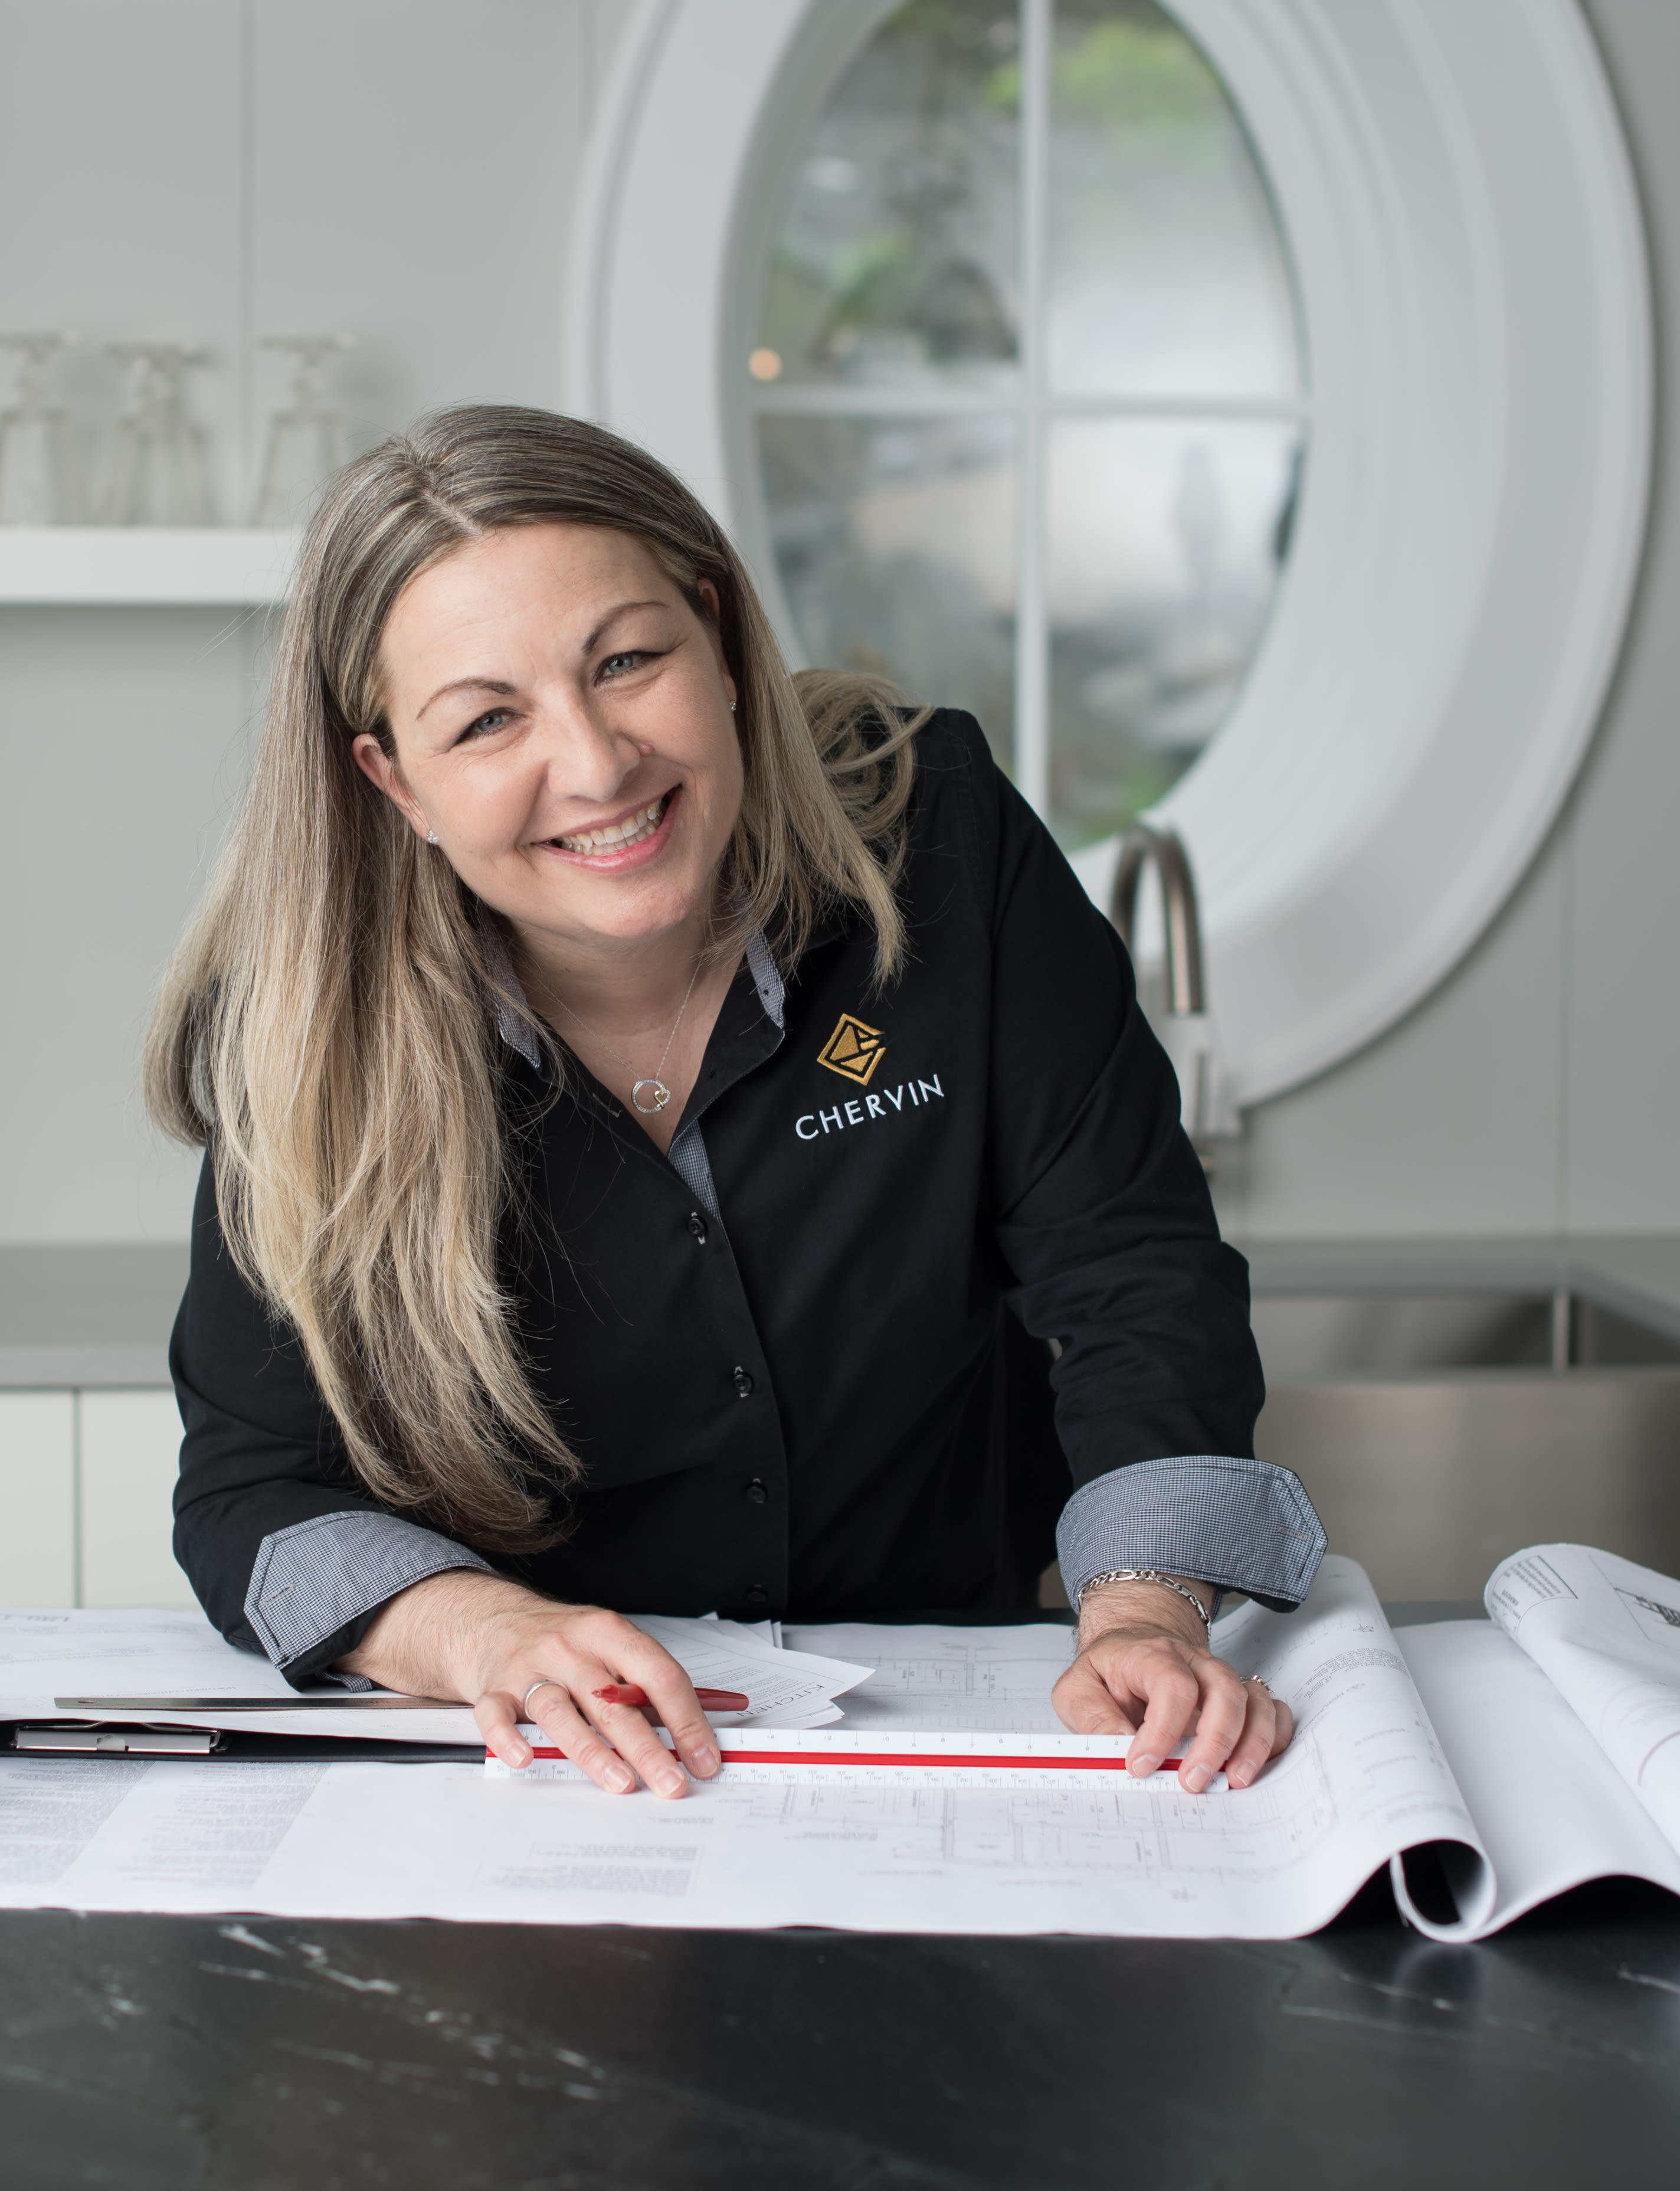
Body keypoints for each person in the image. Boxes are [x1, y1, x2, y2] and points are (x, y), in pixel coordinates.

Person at [146, 405, 1323, 1802]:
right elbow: (253, 1488)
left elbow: (1131, 1269)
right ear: (393, 778)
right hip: (553, 1775)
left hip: (952, 1734)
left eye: (627, 661)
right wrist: (483, 1635)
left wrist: (1138, 1603)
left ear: (715, 635)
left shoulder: (941, 838)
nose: (594, 765)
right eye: (486, 720)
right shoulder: (304, 1030)